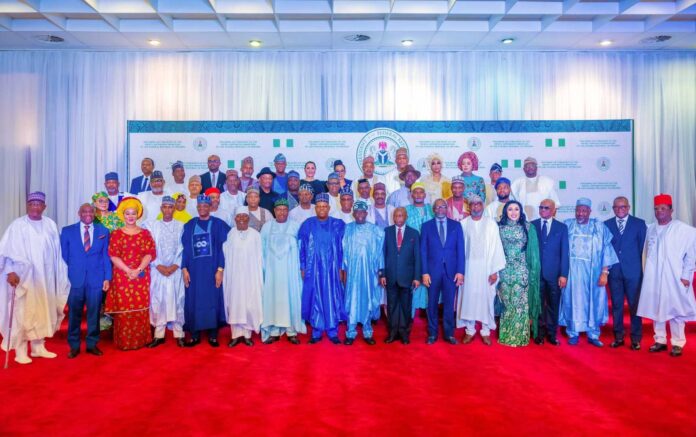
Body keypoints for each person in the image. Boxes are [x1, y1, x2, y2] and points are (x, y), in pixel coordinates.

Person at [0, 192, 69, 364]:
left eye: (39, 204)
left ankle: (39, 347)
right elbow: (6, 252)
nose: (35, 207)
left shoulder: (50, 225)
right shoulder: (17, 225)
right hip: (23, 279)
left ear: (44, 207)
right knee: (23, 312)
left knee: (43, 310)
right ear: (27, 206)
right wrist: (10, 272)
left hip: (45, 278)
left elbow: (56, 253)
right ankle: (21, 351)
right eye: (32, 204)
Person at [638, 194, 696, 357]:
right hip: (654, 277)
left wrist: (686, 275)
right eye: (656, 209)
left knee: (676, 310)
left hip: (675, 276)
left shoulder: (683, 229)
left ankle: (678, 343)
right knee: (657, 308)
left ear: (671, 210)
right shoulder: (650, 229)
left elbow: (691, 254)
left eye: (663, 208)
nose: (659, 212)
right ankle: (660, 340)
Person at [560, 198, 618, 347]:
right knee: (572, 301)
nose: (580, 213)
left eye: (584, 210)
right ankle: (573, 332)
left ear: (590, 212)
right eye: (578, 210)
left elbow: (607, 250)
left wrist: (605, 272)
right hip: (572, 273)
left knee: (594, 302)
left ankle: (593, 334)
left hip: (594, 274)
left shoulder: (599, 227)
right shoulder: (567, 225)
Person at [105, 197, 156, 350]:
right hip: (122, 276)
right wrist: (128, 270)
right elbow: (113, 255)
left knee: (140, 308)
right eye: (128, 213)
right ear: (123, 215)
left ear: (138, 214)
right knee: (125, 309)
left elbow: (150, 253)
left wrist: (139, 269)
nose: (131, 216)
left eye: (133, 213)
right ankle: (125, 342)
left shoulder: (145, 233)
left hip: (141, 275)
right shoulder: (116, 234)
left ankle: (141, 340)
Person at [61, 203, 111, 358]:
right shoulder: (67, 231)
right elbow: (62, 258)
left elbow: (105, 256)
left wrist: (107, 277)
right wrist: (64, 278)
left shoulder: (103, 231)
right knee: (74, 314)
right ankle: (74, 345)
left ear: (94, 213)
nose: (88, 214)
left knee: (94, 313)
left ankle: (92, 344)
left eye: (90, 211)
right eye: (84, 211)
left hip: (96, 279)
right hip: (74, 280)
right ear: (79, 213)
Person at [181, 194, 231, 347]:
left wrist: (220, 269)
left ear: (210, 207)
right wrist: (184, 268)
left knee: (212, 300)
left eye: (205, 206)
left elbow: (224, 249)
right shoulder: (189, 225)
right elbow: (186, 249)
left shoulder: (218, 224)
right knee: (194, 300)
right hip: (194, 271)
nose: (202, 208)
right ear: (197, 208)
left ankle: (213, 335)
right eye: (200, 206)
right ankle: (195, 335)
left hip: (212, 270)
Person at [457, 194, 506, 345]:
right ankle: (470, 330)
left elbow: (496, 247)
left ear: (483, 206)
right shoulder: (463, 224)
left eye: (479, 204)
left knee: (486, 299)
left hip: (486, 269)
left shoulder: (491, 224)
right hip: (469, 269)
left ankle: (485, 331)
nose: (476, 207)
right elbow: (459, 249)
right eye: (473, 205)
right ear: (469, 207)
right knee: (469, 299)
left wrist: (494, 271)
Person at [298, 193, 346, 344]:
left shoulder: (338, 224)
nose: (322, 209)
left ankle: (332, 331)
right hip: (314, 269)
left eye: (324, 206)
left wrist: (341, 267)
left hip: (332, 269)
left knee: (332, 297)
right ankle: (317, 332)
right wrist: (303, 266)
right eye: (319, 207)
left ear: (329, 208)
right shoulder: (307, 224)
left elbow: (343, 248)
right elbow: (301, 248)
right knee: (316, 298)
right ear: (315, 208)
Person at [260, 199, 305, 344]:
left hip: (290, 272)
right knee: (273, 298)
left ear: (288, 211)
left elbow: (301, 249)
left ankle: (291, 331)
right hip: (272, 272)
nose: (282, 212)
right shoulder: (267, 227)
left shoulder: (295, 226)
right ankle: (274, 330)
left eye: (284, 209)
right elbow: (261, 250)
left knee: (290, 298)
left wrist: (300, 269)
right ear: (274, 211)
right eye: (278, 209)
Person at [605, 196, 647, 350]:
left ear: (628, 207)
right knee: (617, 306)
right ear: (613, 208)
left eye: (623, 207)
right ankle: (618, 336)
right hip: (614, 273)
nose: (619, 210)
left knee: (635, 306)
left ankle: (636, 339)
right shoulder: (606, 225)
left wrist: (644, 271)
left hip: (634, 273)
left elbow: (644, 250)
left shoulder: (639, 224)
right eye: (616, 207)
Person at [422, 198, 466, 345]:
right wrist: (424, 272)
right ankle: (432, 333)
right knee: (432, 304)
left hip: (451, 273)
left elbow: (461, 250)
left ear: (447, 208)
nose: (440, 209)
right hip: (432, 273)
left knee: (449, 304)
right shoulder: (426, 226)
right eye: (437, 207)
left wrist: (460, 272)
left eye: (443, 206)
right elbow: (423, 251)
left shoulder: (456, 226)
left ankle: (449, 334)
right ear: (433, 209)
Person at [497, 201, 541, 347]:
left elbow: (533, 253)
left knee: (520, 303)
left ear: (521, 211)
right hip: (504, 271)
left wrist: (533, 272)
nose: (513, 212)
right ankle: (506, 335)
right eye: (510, 209)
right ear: (505, 212)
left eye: (516, 209)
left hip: (522, 271)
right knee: (507, 302)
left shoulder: (528, 227)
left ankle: (520, 336)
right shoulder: (498, 227)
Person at [145, 196, 185, 348]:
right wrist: (158, 265)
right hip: (158, 270)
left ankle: (179, 333)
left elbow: (183, 249)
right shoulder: (151, 225)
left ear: (174, 209)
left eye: (170, 207)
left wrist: (175, 265)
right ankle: (159, 334)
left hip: (176, 270)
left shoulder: (181, 226)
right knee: (158, 300)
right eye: (165, 207)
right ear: (161, 208)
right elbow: (148, 248)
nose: (168, 209)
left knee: (178, 299)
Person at [342, 201, 384, 345]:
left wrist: (380, 271)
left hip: (368, 273)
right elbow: (343, 252)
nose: (359, 214)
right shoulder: (347, 229)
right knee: (352, 299)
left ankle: (367, 331)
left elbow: (379, 252)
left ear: (366, 213)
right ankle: (351, 332)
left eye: (362, 212)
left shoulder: (375, 230)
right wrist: (343, 270)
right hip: (352, 272)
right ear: (353, 214)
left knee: (367, 299)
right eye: (357, 212)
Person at [531, 199, 569, 345]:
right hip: (536, 274)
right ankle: (539, 333)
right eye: (541, 207)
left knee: (553, 305)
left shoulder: (562, 228)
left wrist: (564, 274)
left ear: (553, 210)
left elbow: (564, 252)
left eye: (546, 208)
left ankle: (552, 334)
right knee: (538, 305)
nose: (543, 210)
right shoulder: (532, 226)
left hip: (554, 275)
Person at [380, 207, 421, 344]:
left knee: (405, 306)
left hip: (407, 277)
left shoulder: (414, 233)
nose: (399, 218)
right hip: (390, 276)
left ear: (406, 217)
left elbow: (417, 257)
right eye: (396, 215)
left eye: (401, 215)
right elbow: (382, 255)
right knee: (391, 306)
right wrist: (383, 274)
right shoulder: (386, 232)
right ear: (393, 217)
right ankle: (392, 332)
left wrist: (416, 277)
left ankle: (404, 332)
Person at [223, 211, 263, 347]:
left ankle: (247, 335)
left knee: (249, 303)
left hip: (250, 275)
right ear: (235, 219)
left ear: (248, 218)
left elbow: (260, 258)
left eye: (244, 216)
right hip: (234, 276)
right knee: (234, 303)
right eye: (238, 216)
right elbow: (225, 256)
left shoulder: (256, 235)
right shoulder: (230, 234)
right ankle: (235, 335)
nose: (241, 219)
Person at [405, 182, 434, 317]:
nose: (418, 195)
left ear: (425, 195)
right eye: (415, 192)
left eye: (420, 192)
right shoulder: (406, 210)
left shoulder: (432, 209)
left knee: (430, 286)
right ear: (411, 195)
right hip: (412, 254)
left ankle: (430, 320)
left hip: (430, 254)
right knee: (413, 284)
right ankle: (409, 320)